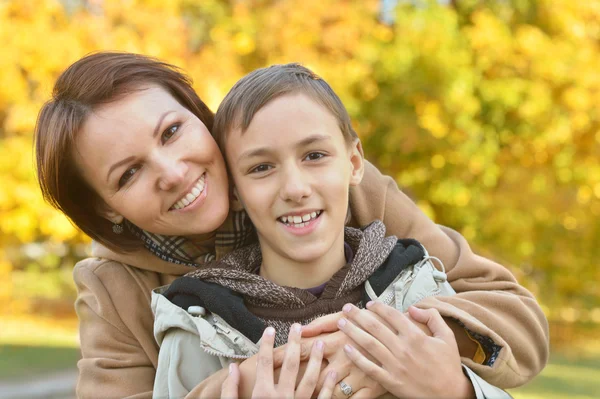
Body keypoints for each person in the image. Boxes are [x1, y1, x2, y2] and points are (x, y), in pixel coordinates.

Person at [34, 52, 548, 398]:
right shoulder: (113, 289)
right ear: (107, 209)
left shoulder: (340, 190)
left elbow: (510, 312)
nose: (172, 173)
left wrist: (397, 349)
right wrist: (243, 382)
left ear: (200, 117)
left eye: (171, 132)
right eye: (129, 173)